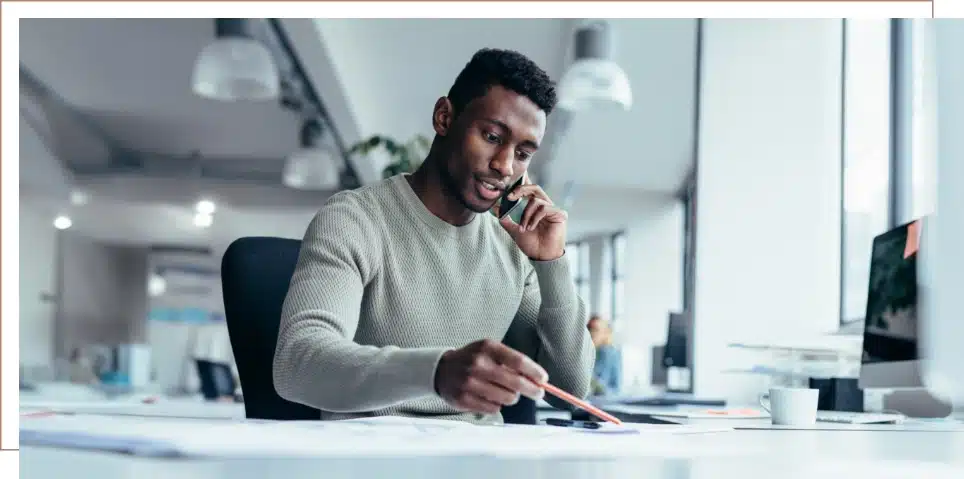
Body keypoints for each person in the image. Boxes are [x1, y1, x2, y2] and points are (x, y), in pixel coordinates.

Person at [273, 48, 594, 423]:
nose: (504, 166)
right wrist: (435, 372)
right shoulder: (356, 219)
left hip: (484, 462)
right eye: (492, 136)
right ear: (444, 118)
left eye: (522, 153)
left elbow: (571, 392)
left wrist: (550, 264)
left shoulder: (511, 244)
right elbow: (297, 364)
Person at [587, 315, 622, 396]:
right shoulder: (589, 352)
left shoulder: (609, 353)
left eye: (596, 330)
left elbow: (612, 387)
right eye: (589, 329)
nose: (592, 333)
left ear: (606, 333)